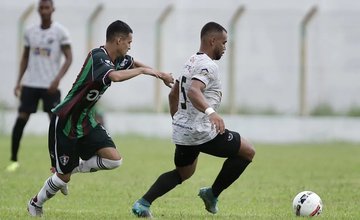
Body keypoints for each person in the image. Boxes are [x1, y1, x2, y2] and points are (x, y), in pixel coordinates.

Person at [27, 20, 174, 217]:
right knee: (62, 179)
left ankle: (73, 166)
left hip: (85, 120)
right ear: (119, 40)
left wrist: (159, 74)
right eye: (129, 42)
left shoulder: (118, 57)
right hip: (65, 121)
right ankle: (35, 203)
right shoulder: (98, 57)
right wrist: (145, 72)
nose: (130, 46)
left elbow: (133, 62)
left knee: (114, 160)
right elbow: (115, 77)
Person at [132, 21, 256, 218]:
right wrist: (211, 113)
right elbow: (193, 90)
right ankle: (212, 194)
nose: (225, 48)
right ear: (212, 40)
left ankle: (143, 203)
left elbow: (173, 94)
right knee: (247, 151)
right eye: (223, 43)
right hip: (202, 131)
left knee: (183, 173)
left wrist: (178, 120)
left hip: (183, 132)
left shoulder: (191, 61)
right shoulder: (208, 65)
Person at [6, 0, 73, 172]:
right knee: (21, 118)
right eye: (41, 8)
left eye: (47, 8)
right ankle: (13, 159)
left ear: (53, 9)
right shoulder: (30, 32)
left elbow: (69, 58)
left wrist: (57, 79)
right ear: (38, 10)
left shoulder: (60, 32)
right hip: (31, 84)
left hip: (50, 85)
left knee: (55, 124)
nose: (44, 11)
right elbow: (25, 58)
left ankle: (60, 162)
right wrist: (18, 82)